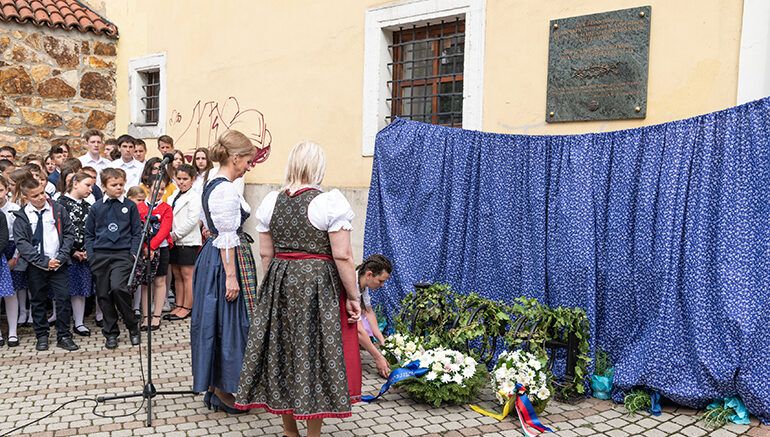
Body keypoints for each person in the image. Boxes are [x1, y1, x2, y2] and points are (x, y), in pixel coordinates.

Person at [234, 141, 362, 437]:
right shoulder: (328, 202)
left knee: (283, 353)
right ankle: (312, 433)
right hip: (316, 286)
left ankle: (290, 432)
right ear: (318, 167)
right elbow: (343, 255)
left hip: (279, 280)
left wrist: (274, 288)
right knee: (314, 354)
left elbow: (266, 253)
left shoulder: (271, 201)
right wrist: (353, 295)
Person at [191, 130, 258, 414]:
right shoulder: (225, 190)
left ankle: (216, 387)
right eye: (247, 161)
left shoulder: (211, 183)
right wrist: (231, 276)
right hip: (224, 263)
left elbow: (209, 226)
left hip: (216, 258)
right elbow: (226, 236)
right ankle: (221, 389)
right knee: (228, 323)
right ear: (235, 158)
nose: (248, 167)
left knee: (217, 321)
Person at [13, 174, 78, 351]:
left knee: (63, 298)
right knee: (38, 300)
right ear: (26, 197)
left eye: (42, 193)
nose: (41, 197)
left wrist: (61, 257)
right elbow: (22, 244)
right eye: (35, 195)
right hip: (36, 266)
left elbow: (69, 233)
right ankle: (41, 335)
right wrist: (42, 262)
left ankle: (64, 335)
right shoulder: (22, 216)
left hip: (58, 263)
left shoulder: (57, 209)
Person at [84, 168, 142, 349]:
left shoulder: (130, 206)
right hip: (100, 255)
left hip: (122, 255)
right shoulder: (96, 207)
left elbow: (137, 233)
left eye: (121, 184)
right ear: (103, 186)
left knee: (118, 288)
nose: (119, 188)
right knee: (103, 294)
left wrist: (133, 253)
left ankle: (132, 326)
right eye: (114, 185)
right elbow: (89, 234)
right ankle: (110, 332)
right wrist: (92, 256)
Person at [58, 172, 95, 337]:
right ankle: (62, 322)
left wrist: (87, 250)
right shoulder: (61, 204)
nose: (90, 189)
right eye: (87, 185)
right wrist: (72, 251)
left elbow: (92, 231)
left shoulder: (89, 206)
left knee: (81, 288)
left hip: (84, 254)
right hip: (66, 254)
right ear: (75, 184)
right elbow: (59, 232)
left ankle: (79, 322)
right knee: (64, 289)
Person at [136, 177, 173, 332]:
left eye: (162, 189)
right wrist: (145, 247)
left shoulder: (166, 208)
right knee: (146, 283)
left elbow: (165, 229)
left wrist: (152, 247)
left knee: (160, 281)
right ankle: (146, 316)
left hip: (160, 248)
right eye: (156, 188)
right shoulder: (139, 207)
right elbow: (137, 228)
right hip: (143, 249)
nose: (159, 192)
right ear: (148, 187)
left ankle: (157, 315)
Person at [165, 164, 201, 321]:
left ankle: (188, 307)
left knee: (187, 275)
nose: (181, 182)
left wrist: (175, 235)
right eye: (178, 178)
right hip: (174, 241)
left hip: (187, 241)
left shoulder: (194, 197)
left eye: (185, 179)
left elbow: (192, 220)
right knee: (177, 274)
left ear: (192, 179)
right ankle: (179, 305)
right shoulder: (174, 195)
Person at [355, 254, 393, 378]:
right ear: (369, 275)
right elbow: (357, 329)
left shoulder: (363, 284)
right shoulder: (352, 285)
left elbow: (369, 312)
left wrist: (382, 342)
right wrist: (378, 357)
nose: (382, 285)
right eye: (381, 281)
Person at [0, 175, 19, 347]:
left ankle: (13, 331)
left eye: (0, 190)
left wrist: (15, 257)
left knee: (11, 292)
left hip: (9, 251)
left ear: (7, 189)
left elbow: (9, 237)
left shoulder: (12, 210)